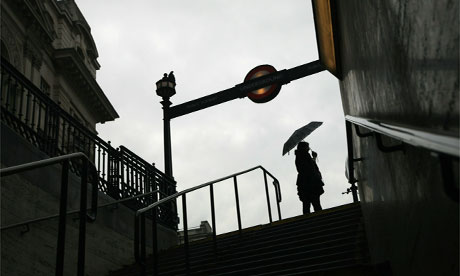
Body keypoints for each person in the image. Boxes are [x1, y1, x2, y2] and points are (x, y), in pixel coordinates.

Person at [295, 142, 324, 214]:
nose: (308, 148)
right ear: (303, 147)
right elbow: (310, 169)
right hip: (310, 183)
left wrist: (313, 157)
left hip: (305, 183)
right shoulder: (304, 156)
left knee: (307, 204)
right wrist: (313, 158)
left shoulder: (300, 156)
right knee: (315, 203)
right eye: (307, 147)